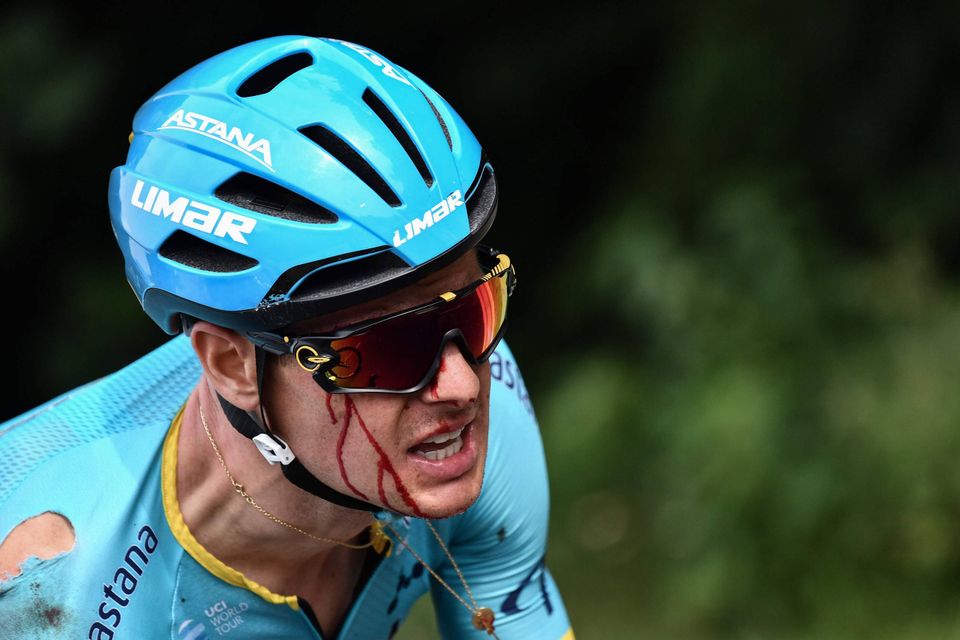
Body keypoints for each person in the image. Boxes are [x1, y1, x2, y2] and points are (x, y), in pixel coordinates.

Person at [0, 36, 574, 639]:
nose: (461, 384)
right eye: (390, 349)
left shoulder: (464, 419)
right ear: (231, 366)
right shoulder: (51, 595)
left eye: (476, 309)